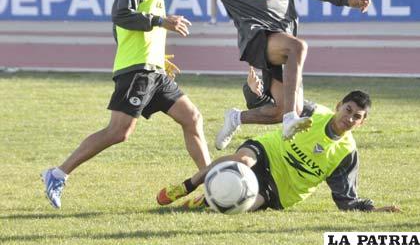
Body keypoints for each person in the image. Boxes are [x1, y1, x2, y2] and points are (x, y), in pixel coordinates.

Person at [123, 0, 371, 150]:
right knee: (298, 47)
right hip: (256, 38)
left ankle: (236, 118)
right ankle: (291, 117)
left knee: (278, 110)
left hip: (282, 39)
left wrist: (348, 0)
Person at [41, 0, 211, 209]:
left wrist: (158, 58)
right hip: (138, 71)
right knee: (119, 132)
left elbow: (125, 28)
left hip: (153, 70)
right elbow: (120, 15)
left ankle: (212, 184)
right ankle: (57, 174)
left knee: (192, 118)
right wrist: (161, 22)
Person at [155, 90, 401, 213]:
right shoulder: (313, 113)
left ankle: (206, 199)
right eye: (347, 110)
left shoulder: (346, 154)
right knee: (242, 161)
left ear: (362, 123)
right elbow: (279, 104)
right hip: (267, 152)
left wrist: (373, 210)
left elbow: (345, 198)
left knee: (240, 206)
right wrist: (255, 90)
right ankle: (187, 185)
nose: (349, 118)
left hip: (281, 191)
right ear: (338, 106)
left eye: (356, 117)